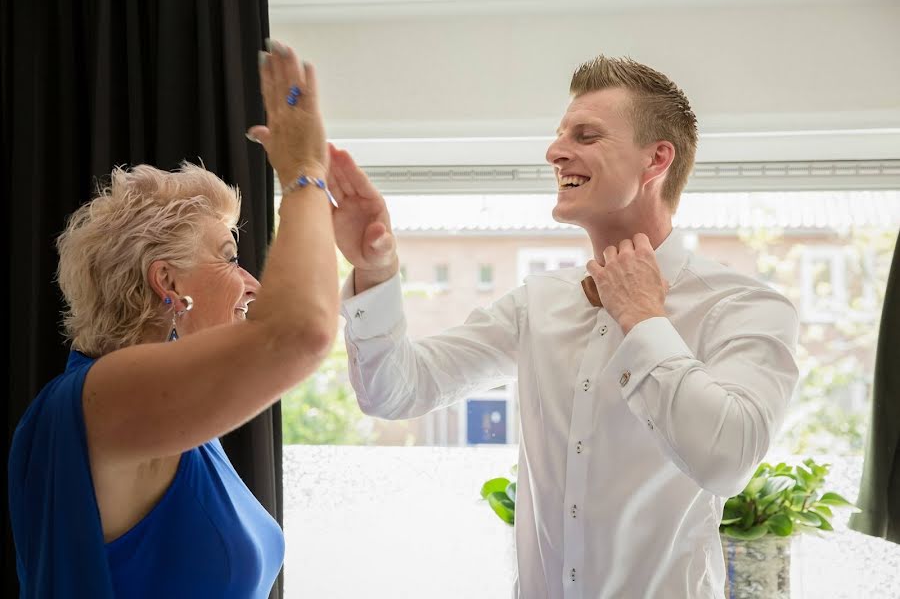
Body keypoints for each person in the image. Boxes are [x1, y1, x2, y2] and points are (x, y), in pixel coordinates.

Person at [329, 56, 800, 598]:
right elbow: (395, 391)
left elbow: (727, 461)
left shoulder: (747, 306)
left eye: (586, 134)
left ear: (656, 160)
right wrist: (375, 270)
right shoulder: (538, 304)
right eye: (558, 136)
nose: (555, 152)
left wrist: (642, 317)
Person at [8, 41, 337, 598]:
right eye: (230, 258)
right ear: (168, 282)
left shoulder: (169, 417)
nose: (252, 283)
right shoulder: (104, 398)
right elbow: (300, 330)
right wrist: (305, 173)